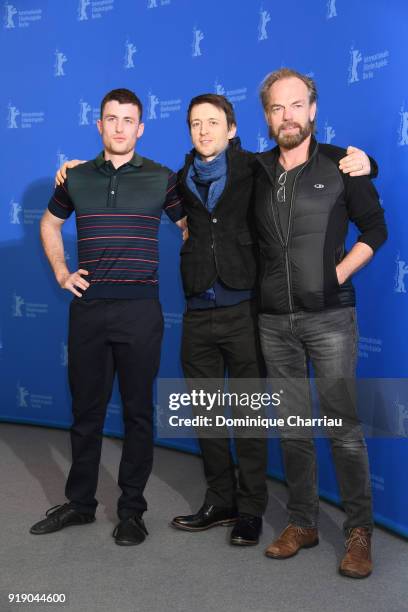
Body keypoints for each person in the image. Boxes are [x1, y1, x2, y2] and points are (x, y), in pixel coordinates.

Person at [54, 93, 376, 548]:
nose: (204, 131)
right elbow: (176, 219)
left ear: (231, 129)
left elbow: (311, 157)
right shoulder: (178, 178)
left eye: (213, 123)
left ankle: (250, 509)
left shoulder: (257, 168)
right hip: (197, 312)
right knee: (206, 414)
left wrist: (366, 162)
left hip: (245, 310)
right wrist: (72, 168)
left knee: (246, 418)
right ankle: (219, 500)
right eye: (195, 124)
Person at [30, 88, 185, 546]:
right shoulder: (75, 177)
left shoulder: (163, 178)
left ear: (141, 128)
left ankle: (132, 512)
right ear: (98, 125)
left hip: (141, 311)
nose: (119, 127)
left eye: (128, 120)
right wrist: (62, 272)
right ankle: (80, 504)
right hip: (89, 311)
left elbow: (190, 229)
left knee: (138, 414)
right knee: (86, 412)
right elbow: (49, 223)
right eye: (111, 119)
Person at [254, 68, 387, 577]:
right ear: (267, 116)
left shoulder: (342, 164)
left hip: (330, 317)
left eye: (296, 105)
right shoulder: (256, 169)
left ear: (312, 109)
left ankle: (359, 533)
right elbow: (203, 167)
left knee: (344, 429)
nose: (287, 116)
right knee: (291, 427)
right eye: (276, 108)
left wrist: (337, 274)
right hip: (273, 321)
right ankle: (303, 522)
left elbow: (375, 229)